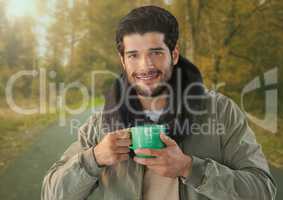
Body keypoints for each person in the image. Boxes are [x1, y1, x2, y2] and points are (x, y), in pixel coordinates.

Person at [41, 5, 277, 200]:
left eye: (156, 52)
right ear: (122, 61)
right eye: (134, 55)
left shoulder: (221, 112)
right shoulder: (100, 124)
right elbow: (52, 194)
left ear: (174, 54)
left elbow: (264, 190)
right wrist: (95, 158)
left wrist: (189, 168)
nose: (145, 66)